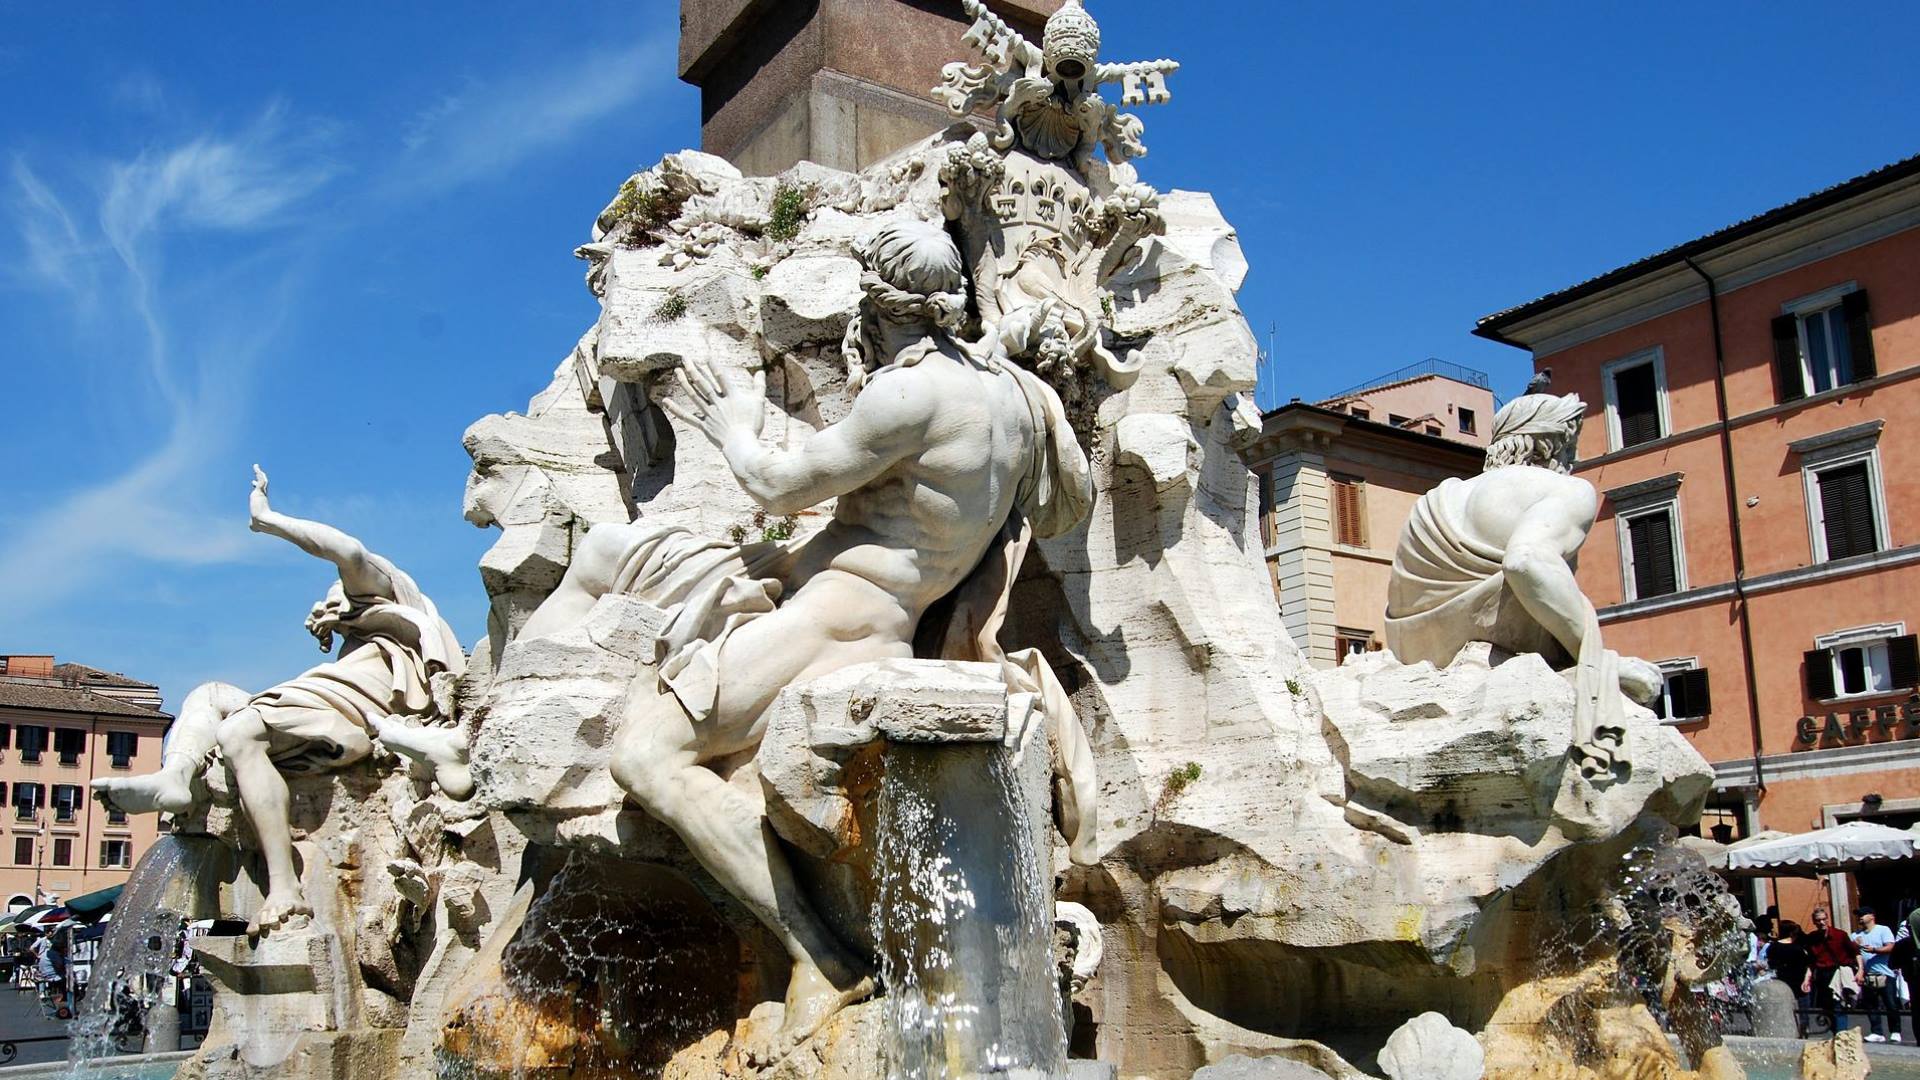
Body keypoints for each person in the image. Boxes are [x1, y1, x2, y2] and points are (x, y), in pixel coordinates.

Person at [517, 219, 1098, 1065]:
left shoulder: (910, 393)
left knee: (645, 758)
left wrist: (736, 421)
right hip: (870, 606)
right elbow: (1044, 507)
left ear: (879, 304)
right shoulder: (1013, 397)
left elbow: (775, 484)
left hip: (841, 617)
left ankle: (820, 957)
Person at [93, 467, 468, 933]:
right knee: (209, 694)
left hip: (349, 724)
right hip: (307, 710)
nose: (327, 604)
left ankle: (285, 887)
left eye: (335, 595)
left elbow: (347, 551)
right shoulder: (351, 649)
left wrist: (267, 520)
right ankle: (175, 777)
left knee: (237, 729)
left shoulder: (392, 610)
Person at [1384, 393, 1665, 778]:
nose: (1573, 459)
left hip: (1421, 660)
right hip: (1510, 657)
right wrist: (1595, 659)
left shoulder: (1436, 499)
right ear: (1552, 443)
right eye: (1572, 445)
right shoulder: (1566, 490)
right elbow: (1527, 561)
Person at [1804, 908, 1860, 1034]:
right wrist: (1806, 979)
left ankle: (1841, 1036)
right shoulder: (1812, 938)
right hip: (1822, 974)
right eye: (1818, 920)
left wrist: (1860, 970)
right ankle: (1835, 1034)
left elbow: (1856, 952)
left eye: (1824, 919)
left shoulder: (1840, 935)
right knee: (1826, 1007)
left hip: (1837, 972)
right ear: (1814, 922)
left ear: (1828, 919)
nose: (1822, 922)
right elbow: (1811, 962)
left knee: (1839, 1005)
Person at [1853, 906, 1900, 1042]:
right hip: (1868, 974)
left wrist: (1874, 950)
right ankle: (1877, 1031)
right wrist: (1860, 970)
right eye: (1859, 915)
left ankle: (1895, 1030)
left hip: (1885, 973)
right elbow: (1857, 954)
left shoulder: (1883, 930)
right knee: (1871, 1004)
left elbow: (1890, 947)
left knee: (1890, 1003)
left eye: (1863, 914)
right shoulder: (1856, 935)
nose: (1860, 917)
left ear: (1872, 916)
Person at [1768, 920, 1813, 1034]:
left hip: (1781, 981)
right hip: (1799, 980)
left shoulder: (1773, 947)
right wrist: (1807, 980)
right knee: (1803, 1009)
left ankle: (1786, 1030)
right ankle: (1804, 1029)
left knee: (1784, 1008)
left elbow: (1771, 964)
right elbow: (1808, 965)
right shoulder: (1798, 948)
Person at [31, 930, 70, 1020]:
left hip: (45, 975)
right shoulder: (52, 952)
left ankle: (62, 1003)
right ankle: (64, 1004)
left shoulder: (47, 952)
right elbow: (60, 966)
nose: (51, 934)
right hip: (52, 977)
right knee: (70, 985)